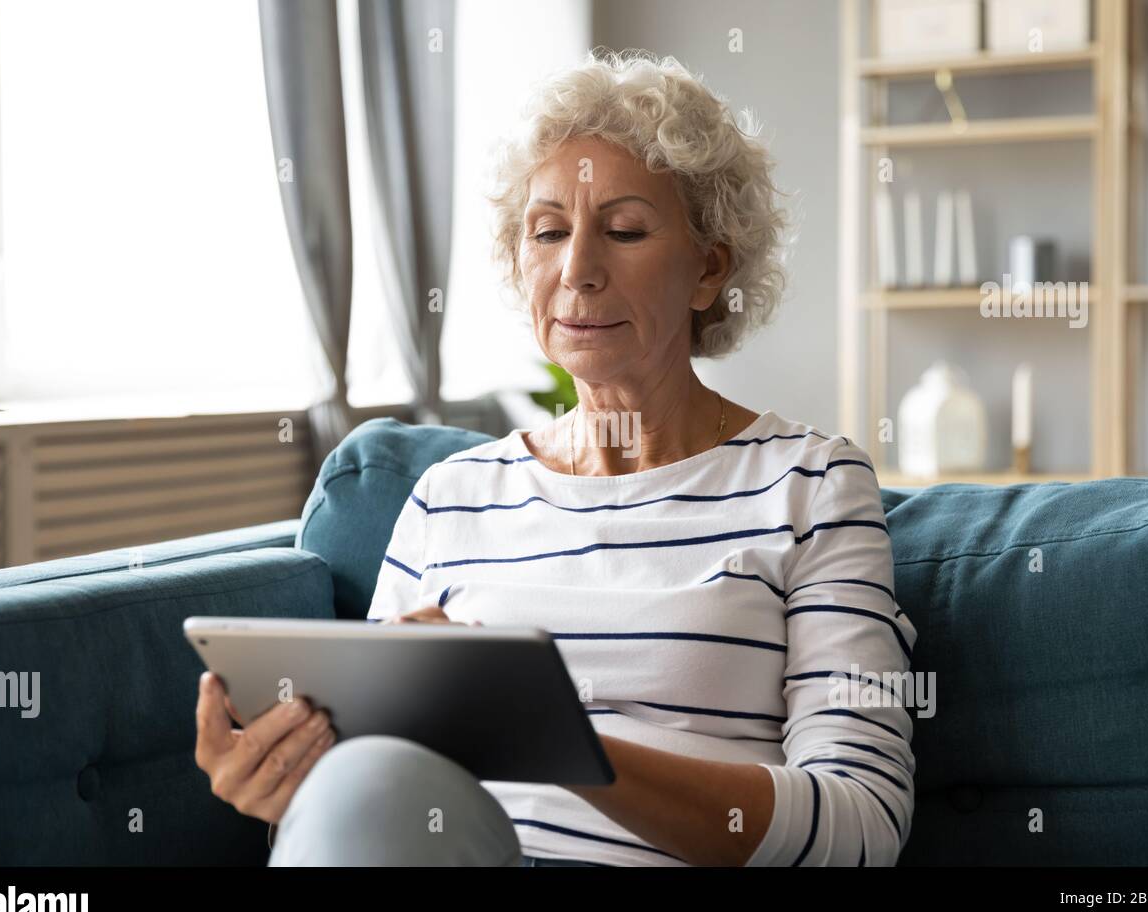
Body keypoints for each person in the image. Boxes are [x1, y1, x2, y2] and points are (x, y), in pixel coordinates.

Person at [195, 49, 917, 867]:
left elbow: (862, 826)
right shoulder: (448, 497)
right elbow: (375, 784)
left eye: (624, 230)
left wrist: (553, 739)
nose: (578, 271)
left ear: (709, 269)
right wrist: (287, 783)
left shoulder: (812, 485)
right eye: (547, 232)